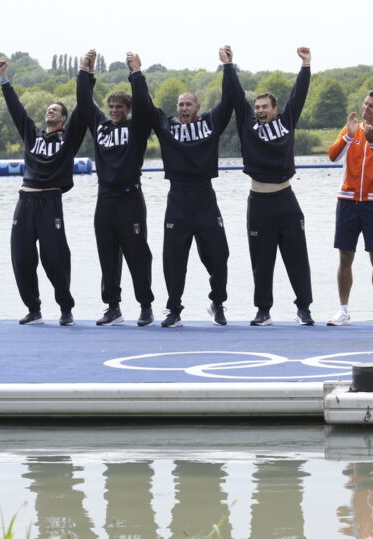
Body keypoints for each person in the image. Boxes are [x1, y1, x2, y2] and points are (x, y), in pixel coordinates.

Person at [129, 48, 235, 327]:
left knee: (219, 254)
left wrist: (228, 66)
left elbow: (231, 99)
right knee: (173, 258)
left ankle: (218, 302)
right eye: (181, 104)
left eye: (189, 104)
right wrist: (137, 73)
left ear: (197, 108)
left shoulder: (211, 123)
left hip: (204, 196)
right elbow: (144, 105)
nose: (184, 108)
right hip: (177, 198)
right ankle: (174, 309)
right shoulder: (166, 126)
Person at [225, 45, 314, 326]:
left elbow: (298, 95)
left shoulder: (287, 121)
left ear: (275, 110)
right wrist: (229, 65)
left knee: (297, 258)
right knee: (261, 261)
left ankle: (304, 309)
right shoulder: (247, 126)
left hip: (286, 201)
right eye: (258, 107)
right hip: (259, 203)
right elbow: (236, 96)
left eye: (265, 107)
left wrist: (306, 65)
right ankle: (263, 310)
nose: (260, 110)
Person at [0, 57, 87, 326]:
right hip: (25, 200)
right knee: (21, 256)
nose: (50, 111)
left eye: (56, 110)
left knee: (55, 257)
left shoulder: (67, 138)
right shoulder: (32, 135)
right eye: (48, 108)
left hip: (50, 200)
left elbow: (83, 109)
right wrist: (4, 79)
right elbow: (16, 110)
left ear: (63, 118)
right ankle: (33, 309)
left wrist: (86, 73)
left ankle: (65, 308)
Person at [77, 49, 155, 327]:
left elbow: (145, 106)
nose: (113, 111)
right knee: (107, 255)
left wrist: (136, 72)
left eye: (119, 107)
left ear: (127, 109)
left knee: (137, 254)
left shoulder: (137, 127)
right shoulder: (100, 125)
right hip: (104, 201)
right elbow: (84, 103)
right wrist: (86, 71)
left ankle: (145, 305)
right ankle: (113, 307)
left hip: (130, 199)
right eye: (111, 107)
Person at [326, 90, 373, 326]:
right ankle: (343, 310)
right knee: (345, 255)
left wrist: (372, 140)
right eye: (365, 104)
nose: (366, 108)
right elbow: (332, 156)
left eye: (371, 106)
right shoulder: (350, 129)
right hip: (347, 200)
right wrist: (349, 135)